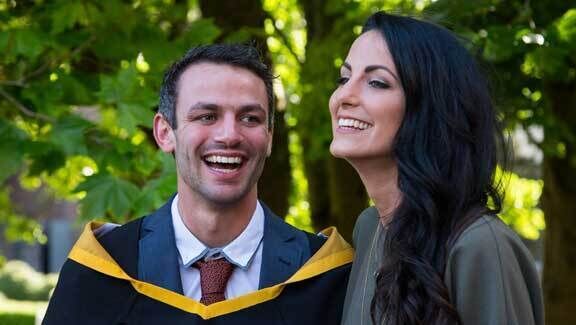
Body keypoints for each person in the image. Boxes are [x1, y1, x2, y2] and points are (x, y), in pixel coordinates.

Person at [43, 44, 352, 324]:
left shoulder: (324, 276)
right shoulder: (103, 270)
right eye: (206, 116)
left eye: (250, 118)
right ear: (165, 132)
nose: (229, 135)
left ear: (270, 137)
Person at [331, 12, 543, 325]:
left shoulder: (479, 246)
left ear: (428, 109)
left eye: (376, 82)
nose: (344, 95)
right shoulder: (369, 228)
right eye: (344, 78)